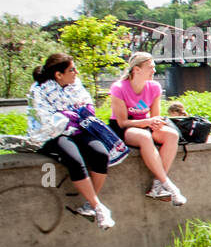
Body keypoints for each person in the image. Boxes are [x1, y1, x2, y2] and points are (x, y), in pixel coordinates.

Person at [25, 53, 115, 229]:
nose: (76, 73)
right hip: (51, 134)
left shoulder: (75, 85)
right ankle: (99, 208)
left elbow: (87, 106)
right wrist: (69, 116)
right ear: (58, 74)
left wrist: (80, 113)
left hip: (77, 129)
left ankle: (90, 204)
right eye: (72, 69)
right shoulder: (39, 90)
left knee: (101, 154)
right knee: (74, 159)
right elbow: (46, 120)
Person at [109, 52, 186, 205]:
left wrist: (155, 122)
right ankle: (169, 185)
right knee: (144, 137)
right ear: (136, 69)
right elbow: (123, 122)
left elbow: (155, 116)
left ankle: (157, 185)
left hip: (146, 124)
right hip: (125, 128)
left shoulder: (155, 87)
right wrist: (147, 122)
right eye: (150, 67)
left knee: (171, 135)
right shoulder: (118, 88)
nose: (154, 71)